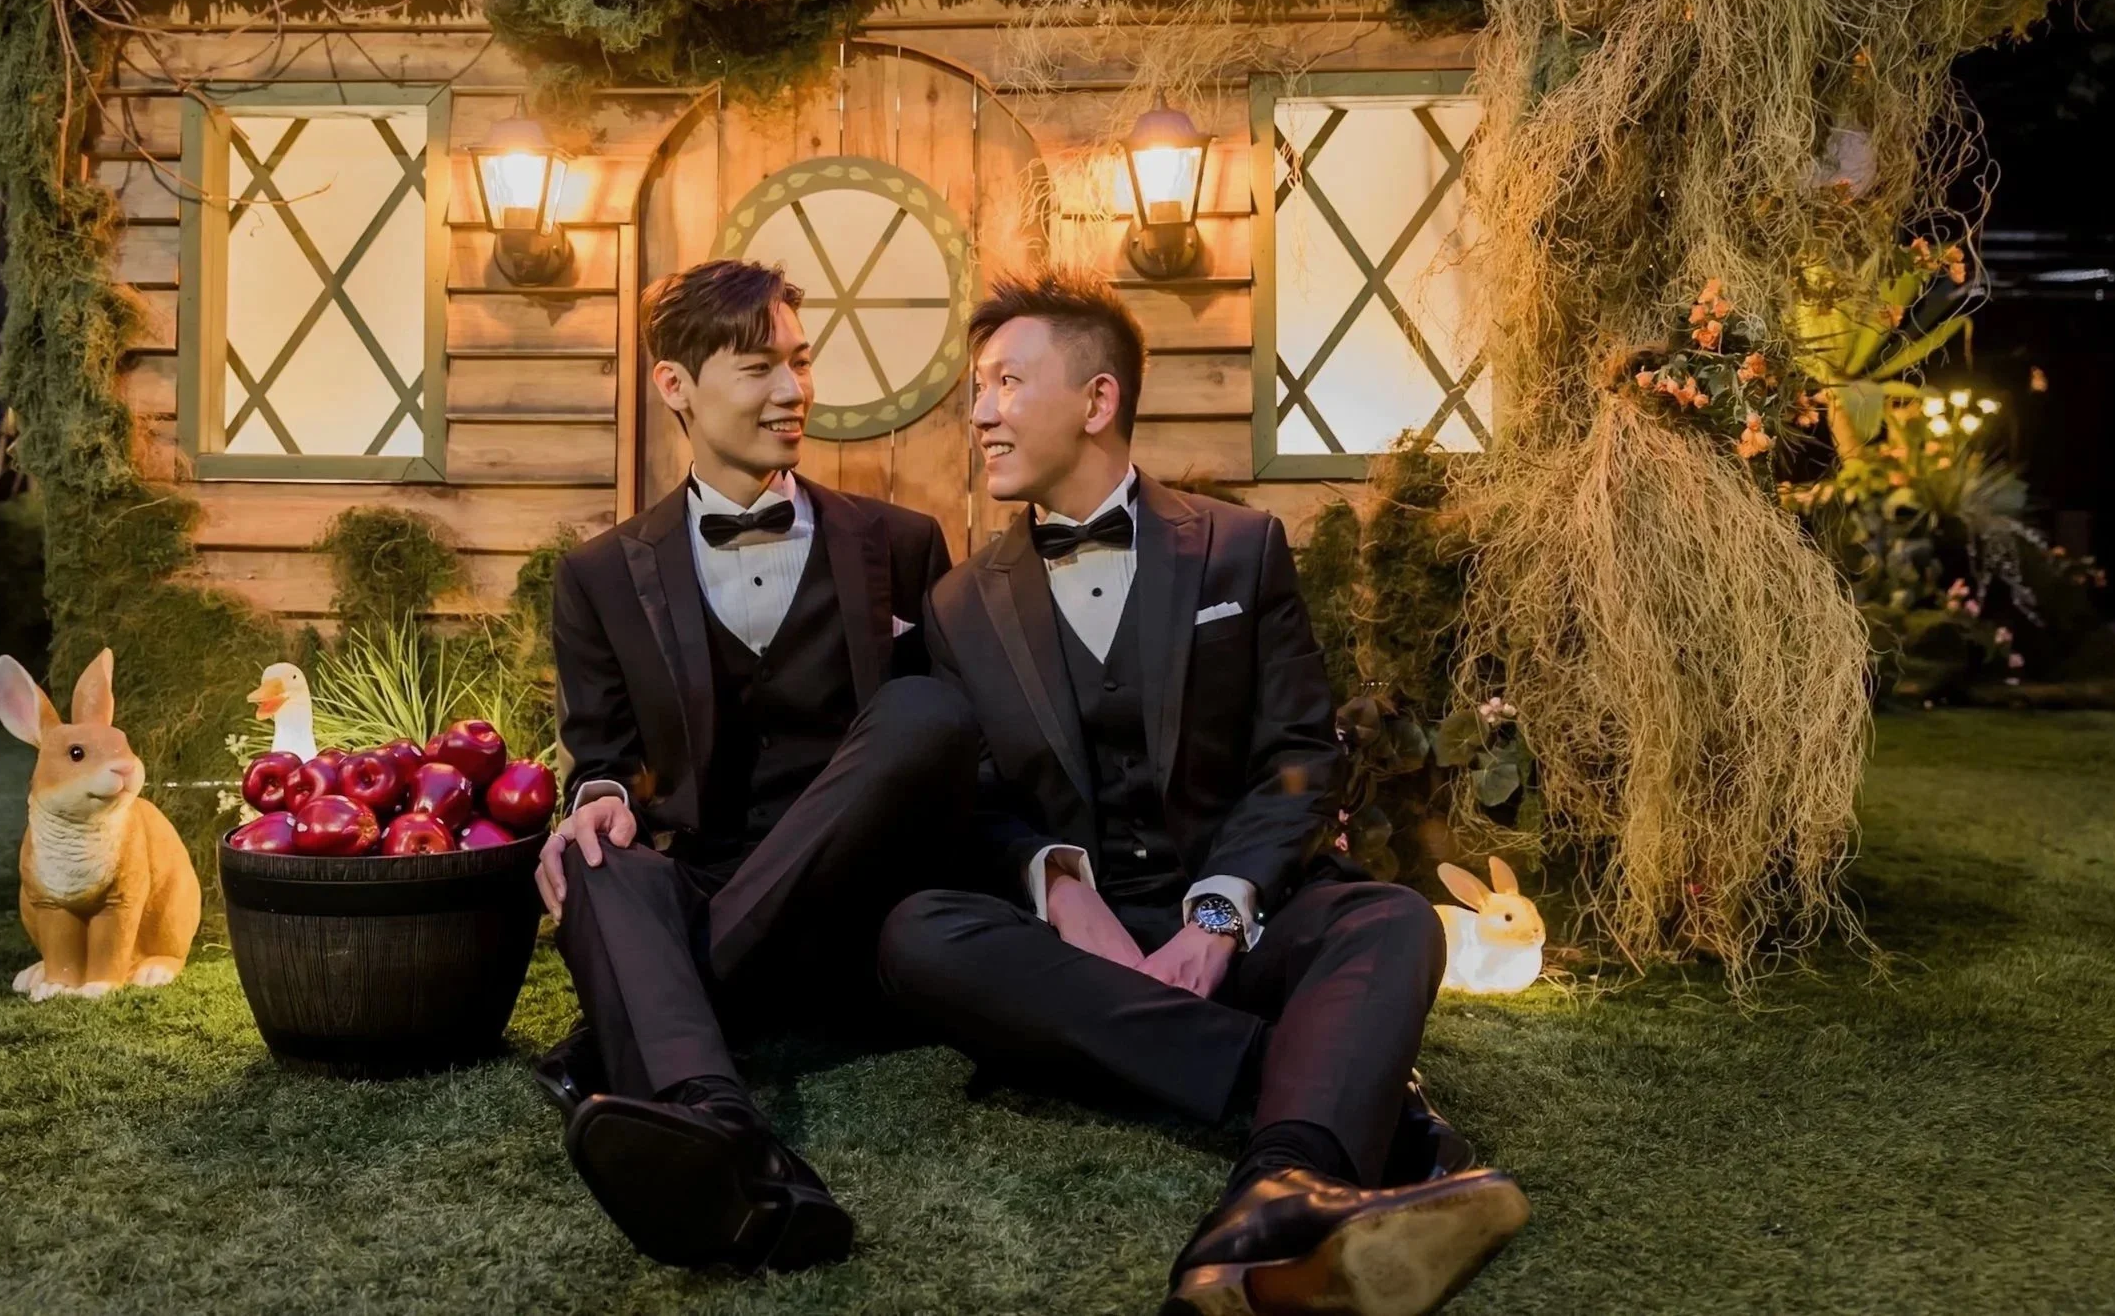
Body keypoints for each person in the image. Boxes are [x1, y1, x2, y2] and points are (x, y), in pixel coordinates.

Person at [876, 271, 1529, 1316]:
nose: (979, 411)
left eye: (1005, 381)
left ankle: (1275, 1191)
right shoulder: (958, 601)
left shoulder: (1239, 545)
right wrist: (1059, 887)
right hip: (1077, 945)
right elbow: (983, 801)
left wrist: (1221, 910)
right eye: (976, 388)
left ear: (1096, 400)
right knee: (919, 933)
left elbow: (1301, 755)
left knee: (1394, 918)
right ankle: (1354, 1101)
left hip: (1241, 908)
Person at [535, 258, 978, 1275]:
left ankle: (645, 1035)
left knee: (925, 708)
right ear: (674, 385)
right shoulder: (599, 575)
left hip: (859, 911)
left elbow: (950, 750)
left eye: (800, 361)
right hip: (706, 877)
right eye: (757, 367)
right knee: (600, 860)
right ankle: (723, 1123)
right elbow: (602, 754)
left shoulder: (903, 543)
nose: (793, 391)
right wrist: (596, 800)